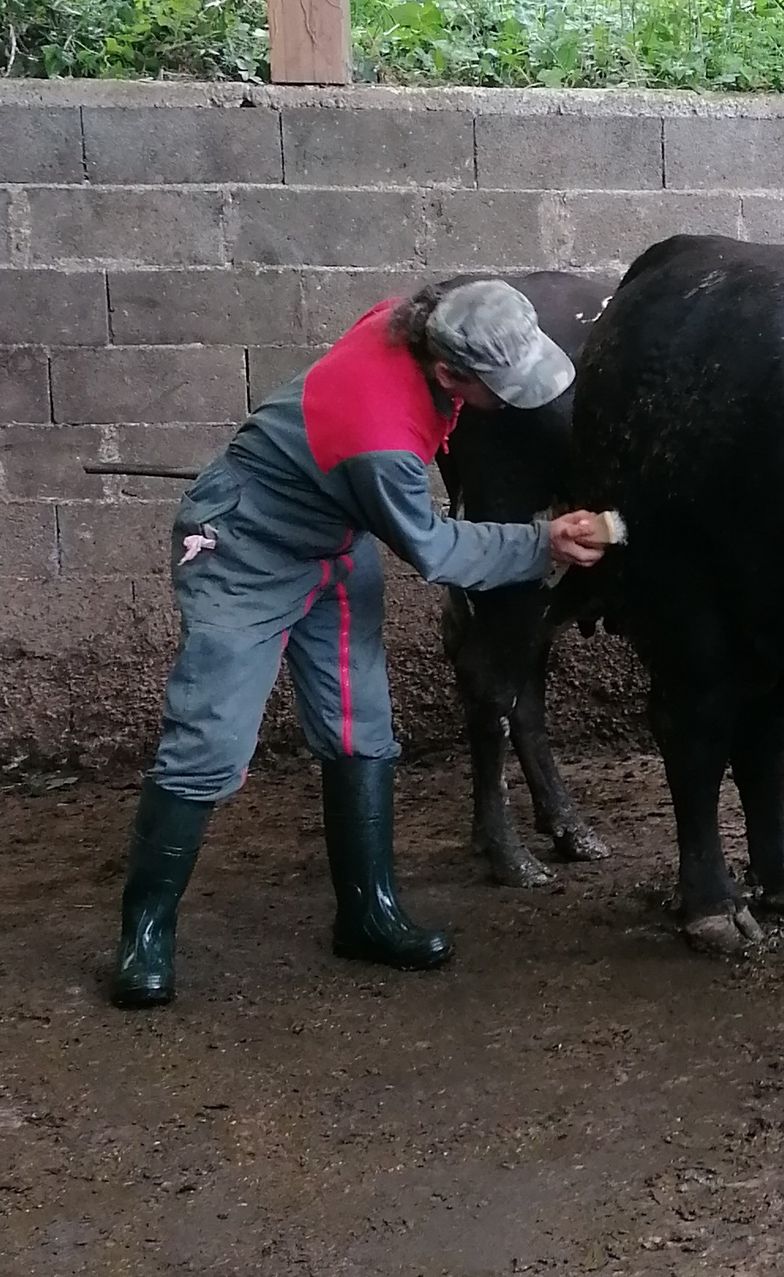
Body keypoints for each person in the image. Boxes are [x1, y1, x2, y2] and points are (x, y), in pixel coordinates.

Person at [110, 278, 610, 1009]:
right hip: (244, 548)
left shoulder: (412, 321)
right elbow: (434, 550)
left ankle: (368, 913)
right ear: (449, 374)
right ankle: (145, 935)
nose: (511, 402)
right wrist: (543, 543)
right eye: (501, 389)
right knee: (211, 739)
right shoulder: (381, 440)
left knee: (361, 727)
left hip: (333, 541)